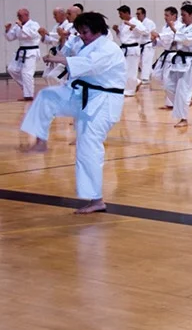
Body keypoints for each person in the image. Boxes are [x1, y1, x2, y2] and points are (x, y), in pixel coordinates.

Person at [20, 12, 126, 214]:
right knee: (47, 97)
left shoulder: (108, 48)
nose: (83, 36)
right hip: (82, 95)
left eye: (85, 32)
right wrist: (62, 51)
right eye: (80, 32)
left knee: (88, 147)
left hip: (102, 103)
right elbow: (73, 54)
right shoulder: (86, 45)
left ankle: (96, 199)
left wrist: (59, 59)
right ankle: (40, 140)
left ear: (97, 30)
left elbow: (89, 66)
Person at [165, 5, 192, 127]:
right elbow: (174, 39)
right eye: (181, 15)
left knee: (182, 90)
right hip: (178, 61)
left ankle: (183, 118)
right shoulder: (182, 28)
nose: (182, 17)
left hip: (189, 62)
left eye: (184, 15)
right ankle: (190, 93)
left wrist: (174, 30)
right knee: (168, 86)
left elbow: (187, 40)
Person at [5, 8, 41, 101]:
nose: (19, 17)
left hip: (32, 51)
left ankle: (28, 95)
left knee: (27, 73)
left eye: (20, 15)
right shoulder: (17, 26)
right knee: (11, 69)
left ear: (26, 15)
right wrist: (7, 30)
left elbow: (32, 35)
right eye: (18, 16)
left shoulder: (34, 24)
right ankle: (26, 88)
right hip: (21, 51)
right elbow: (10, 38)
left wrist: (22, 27)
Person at [150, 6, 181, 109]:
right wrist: (155, 40)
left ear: (174, 15)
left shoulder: (179, 26)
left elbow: (171, 36)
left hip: (174, 55)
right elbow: (162, 42)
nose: (165, 17)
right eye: (164, 15)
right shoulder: (165, 27)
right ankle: (176, 99)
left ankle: (173, 103)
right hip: (166, 54)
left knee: (168, 80)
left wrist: (158, 34)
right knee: (156, 75)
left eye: (167, 15)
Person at [112, 5, 147, 97]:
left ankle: (130, 90)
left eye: (121, 14)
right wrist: (117, 31)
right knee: (124, 69)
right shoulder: (123, 23)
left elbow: (144, 31)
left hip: (133, 49)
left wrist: (133, 26)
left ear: (127, 13)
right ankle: (136, 82)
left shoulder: (135, 21)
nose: (120, 16)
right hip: (125, 48)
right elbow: (123, 38)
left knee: (131, 70)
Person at [39, 7, 72, 85]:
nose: (54, 17)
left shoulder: (68, 25)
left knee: (55, 77)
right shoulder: (56, 26)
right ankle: (53, 93)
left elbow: (62, 37)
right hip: (55, 52)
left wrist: (48, 33)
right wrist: (43, 35)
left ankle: (59, 94)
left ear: (62, 14)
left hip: (63, 53)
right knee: (46, 76)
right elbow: (51, 40)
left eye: (55, 14)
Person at [135, 7, 157, 84]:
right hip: (141, 45)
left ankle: (145, 79)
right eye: (136, 14)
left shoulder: (149, 22)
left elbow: (146, 32)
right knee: (140, 62)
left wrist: (136, 28)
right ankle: (155, 75)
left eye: (139, 14)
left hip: (148, 45)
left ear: (143, 14)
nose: (137, 15)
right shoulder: (137, 23)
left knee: (146, 62)